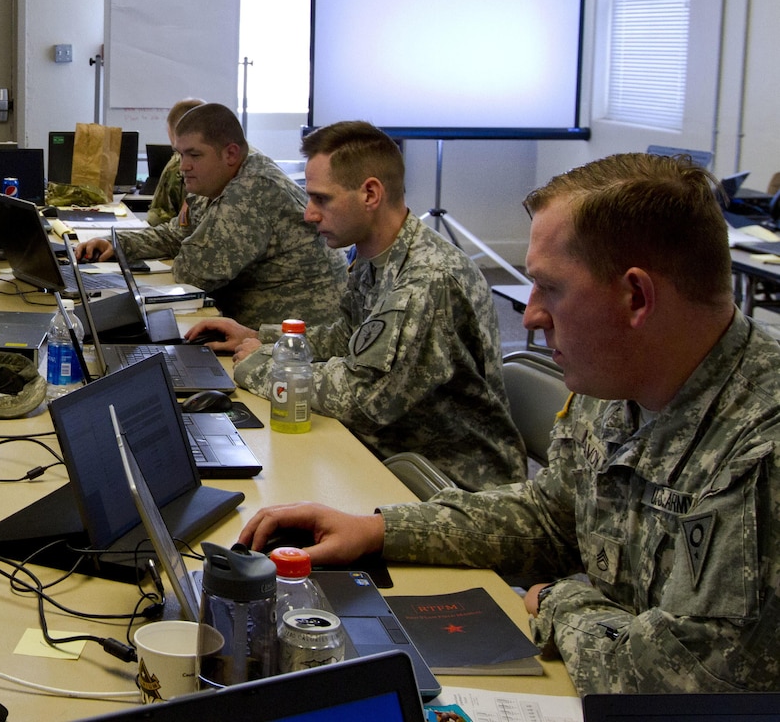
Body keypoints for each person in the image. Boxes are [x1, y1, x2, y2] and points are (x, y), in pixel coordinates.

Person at [237, 152, 780, 694]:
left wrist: (559, 599)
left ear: (636, 297)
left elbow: (686, 683)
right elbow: (550, 517)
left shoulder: (761, 446)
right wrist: (377, 530)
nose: (529, 316)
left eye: (552, 288)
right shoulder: (618, 374)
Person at [188, 120, 522, 490]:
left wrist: (258, 365)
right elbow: (349, 337)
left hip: (450, 484)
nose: (309, 214)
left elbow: (361, 399)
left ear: (370, 194)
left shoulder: (427, 279)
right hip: (393, 453)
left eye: (322, 199)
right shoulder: (376, 255)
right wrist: (266, 339)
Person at [76, 103, 345, 329]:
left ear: (230, 153)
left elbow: (195, 272)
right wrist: (118, 243)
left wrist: (189, 248)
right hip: (247, 329)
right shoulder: (213, 180)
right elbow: (177, 233)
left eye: (194, 155)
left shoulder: (252, 190)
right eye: (180, 154)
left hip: (290, 342)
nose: (183, 166)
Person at [146, 97, 202, 227]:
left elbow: (159, 218)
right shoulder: (246, 157)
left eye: (194, 154)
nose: (184, 166)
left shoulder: (176, 165)